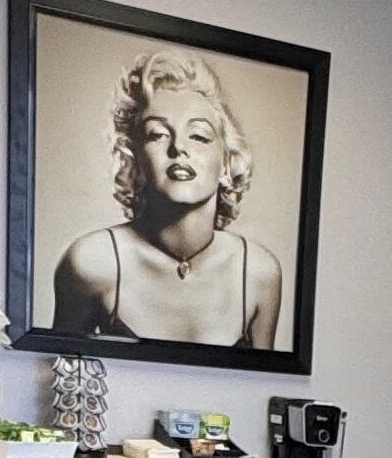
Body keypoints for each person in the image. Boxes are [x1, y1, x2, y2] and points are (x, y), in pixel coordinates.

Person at [51, 50, 285, 349]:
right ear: (134, 159)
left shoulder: (259, 272)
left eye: (199, 136)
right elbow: (61, 380)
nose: (179, 148)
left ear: (227, 164)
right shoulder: (92, 262)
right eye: (158, 135)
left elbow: (262, 390)